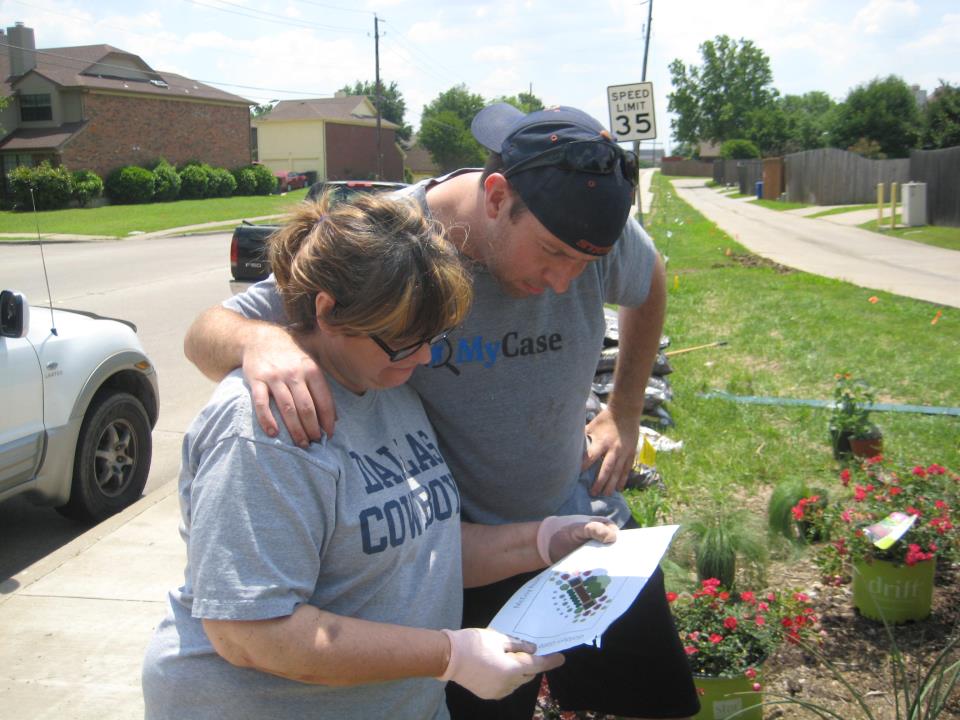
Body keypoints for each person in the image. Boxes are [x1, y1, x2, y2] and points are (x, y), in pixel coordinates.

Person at [183, 104, 699, 719]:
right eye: (551, 253)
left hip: (561, 522)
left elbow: (650, 279)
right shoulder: (391, 244)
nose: (566, 282)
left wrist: (624, 408)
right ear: (497, 196)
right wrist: (258, 341)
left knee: (650, 701)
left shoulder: (586, 227)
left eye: (584, 265)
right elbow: (214, 328)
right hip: (450, 561)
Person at [143, 193, 618, 720]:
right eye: (401, 341)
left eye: (434, 338)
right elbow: (250, 633)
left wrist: (542, 540)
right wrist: (449, 656)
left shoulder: (389, 387)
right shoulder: (265, 427)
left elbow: (419, 548)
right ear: (327, 311)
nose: (423, 357)